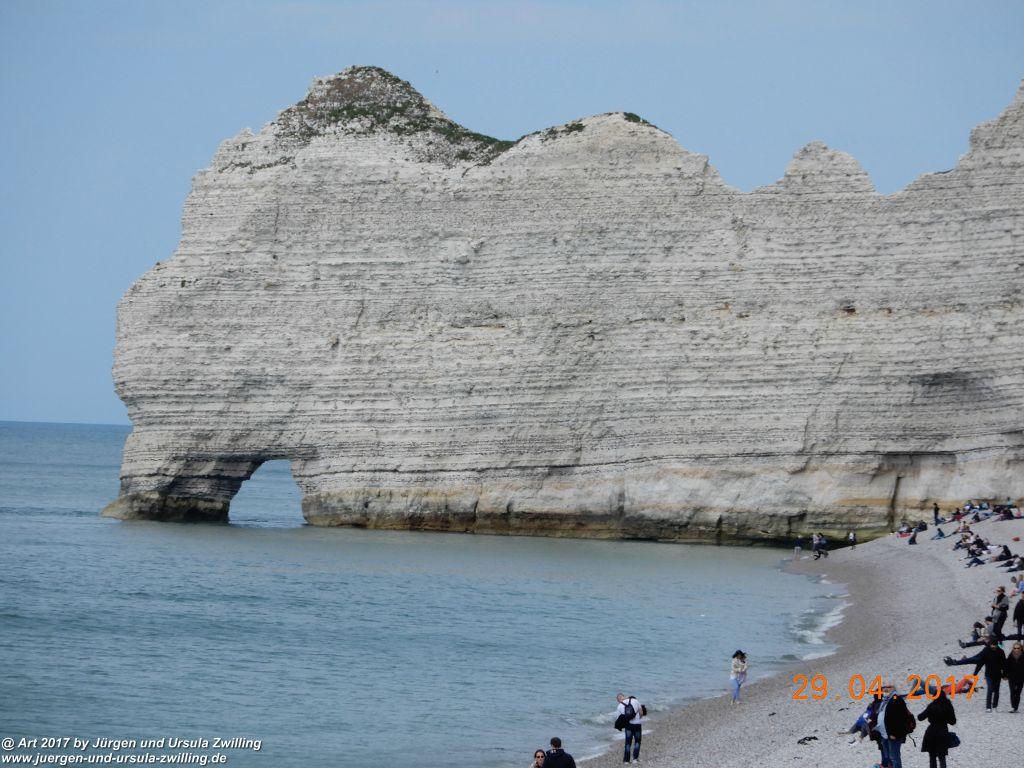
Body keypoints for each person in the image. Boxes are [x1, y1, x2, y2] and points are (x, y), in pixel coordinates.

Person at [944, 638, 1006, 711]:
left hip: (998, 675)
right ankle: (988, 707)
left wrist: (1004, 675)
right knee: (990, 689)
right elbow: (981, 662)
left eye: (995, 645)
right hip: (988, 674)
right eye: (992, 645)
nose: (994, 647)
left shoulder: (1001, 652)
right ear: (990, 645)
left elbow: (1004, 664)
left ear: (997, 645)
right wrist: (976, 672)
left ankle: (995, 707)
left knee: (996, 691)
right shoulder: (986, 651)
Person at [869, 682, 912, 768]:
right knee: (888, 755)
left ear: (893, 688)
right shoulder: (886, 700)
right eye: (884, 687)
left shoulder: (896, 700)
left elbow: (899, 719)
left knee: (894, 757)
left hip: (893, 734)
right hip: (885, 733)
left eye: (888, 687)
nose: (885, 689)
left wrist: (893, 733)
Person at [917, 690, 956, 768]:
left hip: (931, 733)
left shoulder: (931, 706)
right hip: (943, 733)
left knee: (932, 758)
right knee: (942, 758)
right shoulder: (948, 706)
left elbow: (920, 717)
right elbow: (953, 721)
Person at [616, 693, 643, 763]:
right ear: (623, 696)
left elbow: (619, 719)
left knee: (628, 743)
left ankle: (626, 761)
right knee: (637, 742)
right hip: (637, 724)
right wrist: (638, 719)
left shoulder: (619, 706)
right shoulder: (635, 700)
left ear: (619, 700)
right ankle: (635, 759)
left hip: (628, 726)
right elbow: (641, 712)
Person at [1007, 641, 1024, 712]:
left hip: (1021, 677)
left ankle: (1016, 707)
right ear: (1013, 648)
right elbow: (1006, 666)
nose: (1016, 649)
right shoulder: (1010, 656)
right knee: (1012, 692)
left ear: (1021, 648)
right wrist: (1005, 675)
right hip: (1012, 677)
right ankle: (1013, 707)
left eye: (1018, 648)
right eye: (1015, 648)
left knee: (1018, 693)